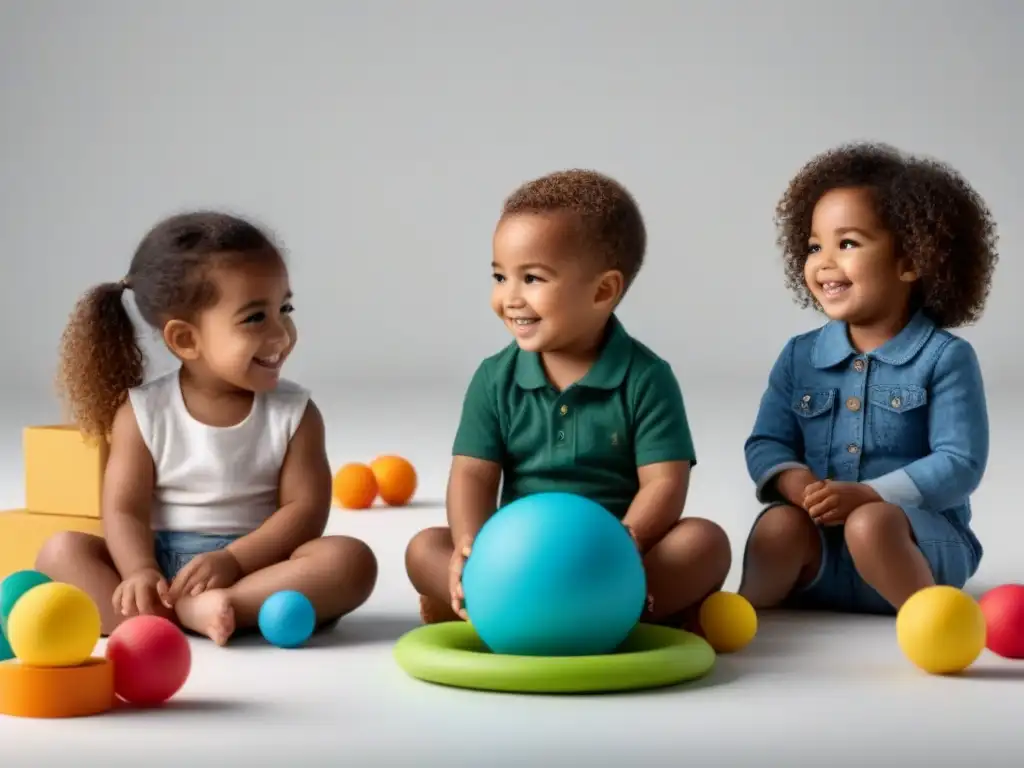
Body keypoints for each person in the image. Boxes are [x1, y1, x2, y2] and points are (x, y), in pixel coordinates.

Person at [405, 169, 732, 629]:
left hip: (610, 557)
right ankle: (486, 592)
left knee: (706, 541)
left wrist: (628, 540)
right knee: (424, 547)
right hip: (517, 561)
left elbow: (664, 482)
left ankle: (606, 604)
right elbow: (473, 475)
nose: (508, 298)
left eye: (532, 279)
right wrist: (470, 545)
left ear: (603, 291)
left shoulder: (646, 378)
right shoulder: (494, 378)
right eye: (500, 277)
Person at [36, 212, 378, 644]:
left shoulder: (295, 413)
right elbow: (125, 509)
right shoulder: (143, 412)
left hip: (258, 565)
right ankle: (178, 612)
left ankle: (228, 606)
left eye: (284, 308)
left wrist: (233, 560)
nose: (282, 333)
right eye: (255, 318)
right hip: (160, 567)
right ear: (185, 340)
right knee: (59, 551)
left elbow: (305, 512)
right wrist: (140, 571)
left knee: (350, 560)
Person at [740, 142, 999, 615]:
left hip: (915, 548)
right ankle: (741, 616)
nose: (823, 261)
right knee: (778, 525)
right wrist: (798, 487)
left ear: (911, 261)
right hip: (820, 556)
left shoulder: (945, 358)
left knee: (870, 523)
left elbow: (960, 462)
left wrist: (870, 496)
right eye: (815, 245)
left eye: (848, 243)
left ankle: (930, 621)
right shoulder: (801, 357)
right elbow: (766, 443)